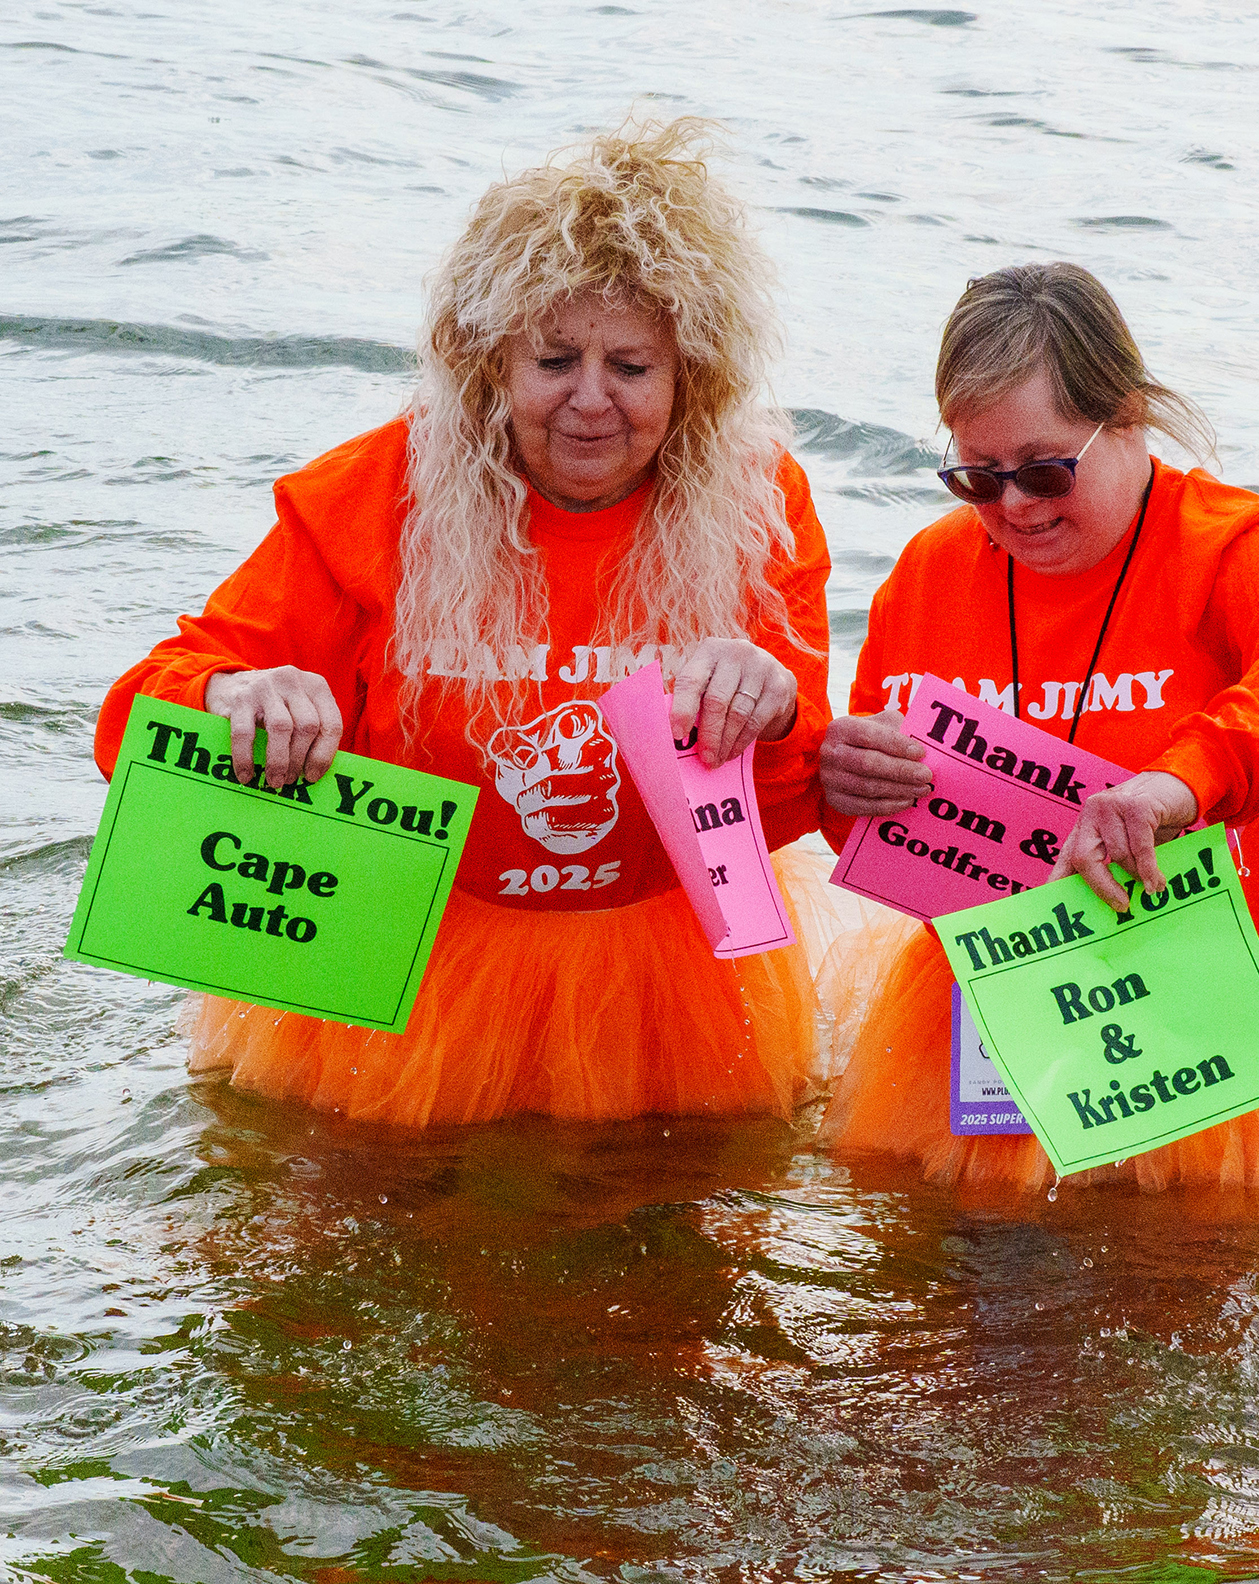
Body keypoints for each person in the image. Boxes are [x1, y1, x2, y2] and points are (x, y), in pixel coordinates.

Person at [94, 119, 833, 1128]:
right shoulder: (372, 491)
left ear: (691, 378)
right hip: (403, 957)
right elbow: (135, 722)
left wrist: (776, 701)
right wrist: (234, 694)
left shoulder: (757, 501)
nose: (589, 402)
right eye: (555, 359)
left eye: (631, 367)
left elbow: (796, 800)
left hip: (668, 973)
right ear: (490, 363)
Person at [816, 263, 1259, 1197]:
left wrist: (1184, 780)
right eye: (977, 478)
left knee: (1172, 1300)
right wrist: (846, 793)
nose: (1015, 509)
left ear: (1125, 417)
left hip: (1214, 1013)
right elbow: (882, 838)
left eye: (1046, 470)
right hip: (993, 1016)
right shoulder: (929, 572)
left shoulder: (1237, 547)